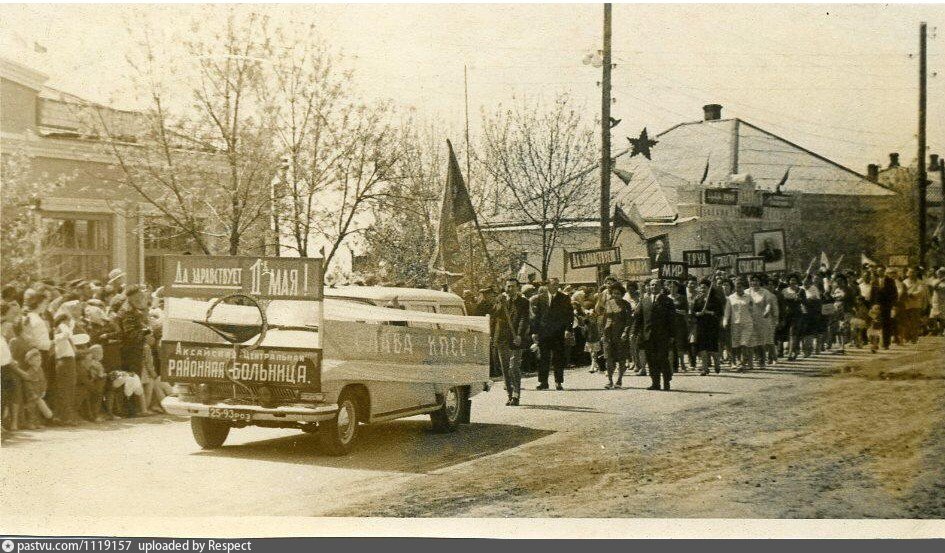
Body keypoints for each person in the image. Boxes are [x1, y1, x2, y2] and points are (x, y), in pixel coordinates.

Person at [529, 278, 574, 391]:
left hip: (558, 332)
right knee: (543, 358)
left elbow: (569, 315)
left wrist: (569, 329)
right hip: (544, 332)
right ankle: (543, 382)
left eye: (557, 284)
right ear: (548, 285)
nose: (556, 286)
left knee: (558, 357)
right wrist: (534, 331)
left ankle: (558, 381)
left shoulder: (564, 298)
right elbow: (536, 316)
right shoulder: (540, 298)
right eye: (553, 284)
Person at [632, 279, 676, 391]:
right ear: (649, 287)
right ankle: (655, 383)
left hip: (663, 336)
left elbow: (672, 320)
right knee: (651, 360)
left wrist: (672, 335)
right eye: (652, 285)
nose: (654, 287)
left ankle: (667, 382)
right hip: (648, 336)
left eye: (656, 285)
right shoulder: (644, 301)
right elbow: (638, 319)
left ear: (660, 286)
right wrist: (634, 332)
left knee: (663, 359)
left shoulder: (668, 301)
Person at [492, 279, 530, 406]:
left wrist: (519, 335)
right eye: (508, 286)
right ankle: (509, 394)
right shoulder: (500, 300)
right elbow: (495, 315)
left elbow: (524, 319)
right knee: (505, 368)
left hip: (516, 339)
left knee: (513, 367)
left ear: (518, 288)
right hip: (502, 338)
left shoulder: (523, 302)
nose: (510, 289)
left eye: (513, 287)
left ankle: (516, 394)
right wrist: (499, 303)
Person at [600, 281, 633, 389]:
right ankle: (609, 381)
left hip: (620, 335)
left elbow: (629, 321)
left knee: (621, 359)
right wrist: (602, 333)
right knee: (609, 359)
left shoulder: (626, 305)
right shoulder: (608, 303)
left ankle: (619, 380)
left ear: (622, 294)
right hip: (608, 335)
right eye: (613, 293)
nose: (615, 295)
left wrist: (625, 332)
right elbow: (604, 318)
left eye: (618, 293)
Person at [724, 277, 759, 371]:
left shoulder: (748, 297)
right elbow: (727, 311)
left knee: (744, 343)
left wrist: (755, 322)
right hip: (735, 324)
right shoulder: (731, 298)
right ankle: (739, 362)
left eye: (740, 286)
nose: (738, 288)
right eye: (736, 286)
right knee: (736, 345)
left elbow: (753, 311)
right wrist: (725, 321)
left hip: (747, 323)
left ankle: (744, 361)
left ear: (743, 287)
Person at [691, 278, 724, 375]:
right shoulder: (698, 300)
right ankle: (705, 368)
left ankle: (717, 364)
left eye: (704, 288)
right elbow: (693, 312)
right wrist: (697, 313)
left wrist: (709, 312)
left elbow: (719, 313)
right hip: (701, 326)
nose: (702, 290)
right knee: (702, 348)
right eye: (701, 288)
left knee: (713, 348)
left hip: (712, 326)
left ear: (709, 288)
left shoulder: (715, 300)